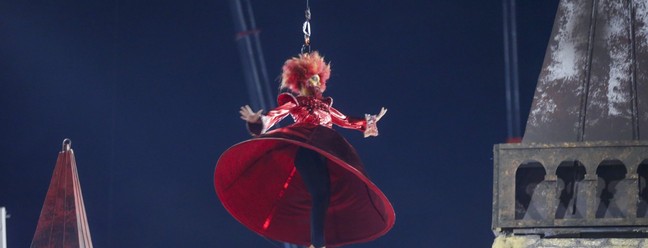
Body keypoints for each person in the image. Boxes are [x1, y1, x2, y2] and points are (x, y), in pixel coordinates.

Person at [214, 52, 395, 248]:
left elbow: (345, 120)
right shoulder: (297, 102)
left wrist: (369, 122)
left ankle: (316, 243)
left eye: (318, 78)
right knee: (319, 193)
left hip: (325, 150)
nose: (316, 82)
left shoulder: (325, 107)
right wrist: (259, 121)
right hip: (306, 148)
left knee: (324, 194)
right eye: (312, 78)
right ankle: (317, 244)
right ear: (301, 81)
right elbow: (277, 114)